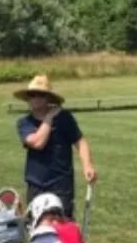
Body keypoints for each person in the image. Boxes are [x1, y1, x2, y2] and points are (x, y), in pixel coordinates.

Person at [14, 75, 97, 218]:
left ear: (48, 98)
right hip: (36, 184)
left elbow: (80, 141)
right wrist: (50, 117)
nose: (35, 98)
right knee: (37, 228)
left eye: (41, 95)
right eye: (32, 95)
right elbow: (37, 143)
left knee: (63, 227)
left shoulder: (65, 118)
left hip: (61, 184)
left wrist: (87, 165)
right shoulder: (24, 122)